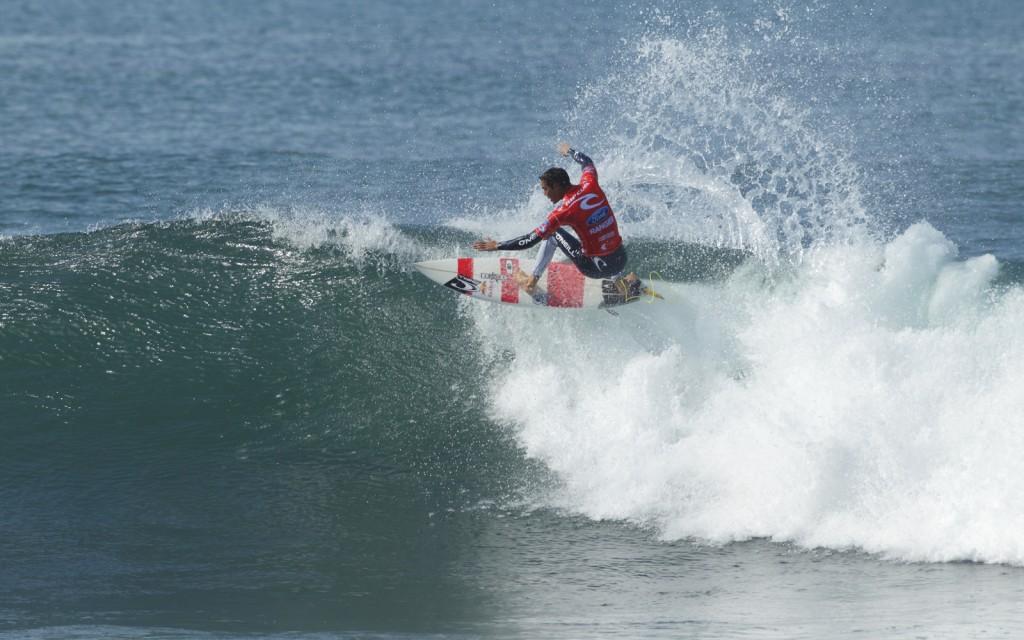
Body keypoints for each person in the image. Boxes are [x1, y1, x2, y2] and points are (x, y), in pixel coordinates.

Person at [473, 142, 635, 295]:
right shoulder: (590, 182)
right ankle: (620, 283)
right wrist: (570, 151)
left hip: (595, 268)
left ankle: (530, 282)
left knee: (553, 234)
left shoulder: (564, 211)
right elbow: (587, 162)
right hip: (621, 260)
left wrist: (498, 245)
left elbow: (530, 240)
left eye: (545, 189)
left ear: (556, 186)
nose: (544, 194)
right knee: (602, 238)